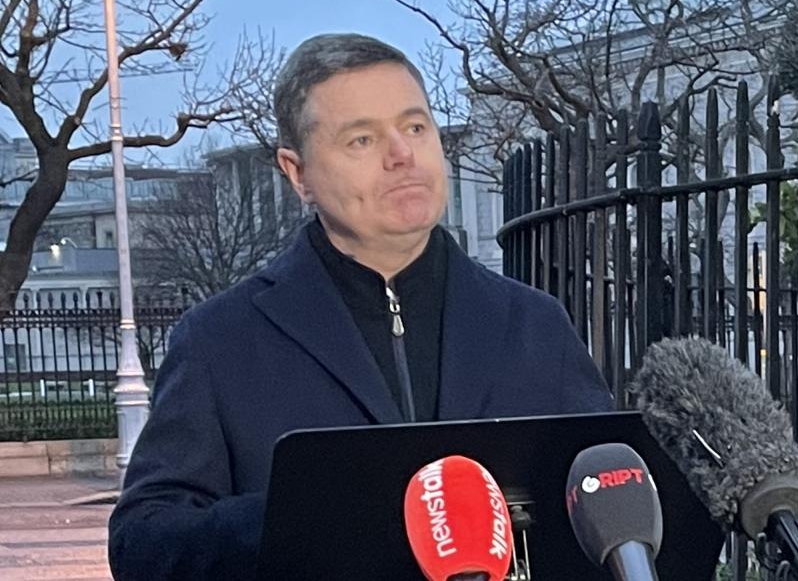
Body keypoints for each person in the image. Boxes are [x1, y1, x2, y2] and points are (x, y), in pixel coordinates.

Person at [107, 34, 613, 580]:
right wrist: (298, 521)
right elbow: (144, 540)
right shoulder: (220, 341)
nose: (402, 155)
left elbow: (615, 505)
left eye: (415, 128)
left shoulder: (535, 325)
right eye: (362, 139)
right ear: (298, 173)